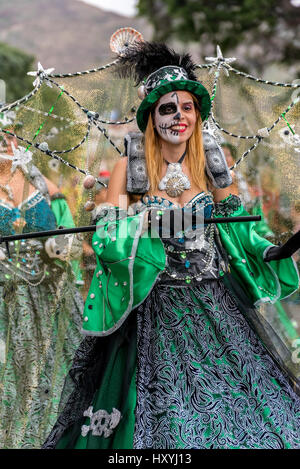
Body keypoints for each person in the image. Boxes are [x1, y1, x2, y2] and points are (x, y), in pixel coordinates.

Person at [43, 42, 300, 450]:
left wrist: (270, 251)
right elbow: (107, 235)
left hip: (215, 303)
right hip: (155, 307)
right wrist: (145, 222)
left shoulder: (212, 165)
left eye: (186, 108)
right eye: (167, 108)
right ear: (151, 116)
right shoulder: (132, 165)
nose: (178, 117)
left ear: (198, 114)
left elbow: (237, 228)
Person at [0, 128, 84, 448]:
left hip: (51, 295)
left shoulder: (34, 178)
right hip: (9, 301)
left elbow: (58, 229)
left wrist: (60, 245)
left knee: (62, 374)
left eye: (6, 139)